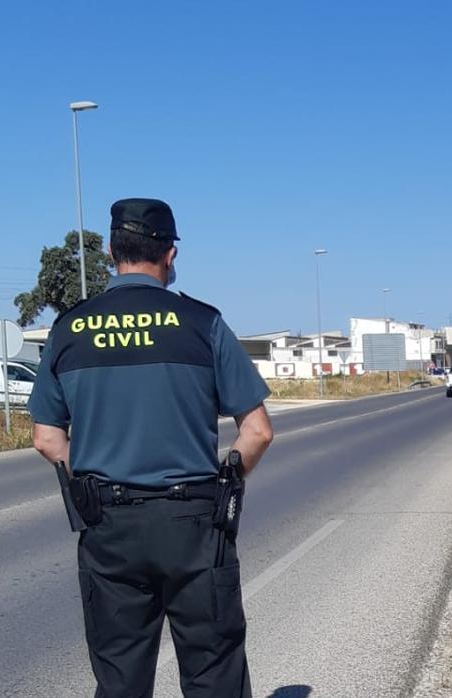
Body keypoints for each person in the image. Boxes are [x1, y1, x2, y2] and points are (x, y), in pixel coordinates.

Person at [29, 197, 274, 697]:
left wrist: (92, 480)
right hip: (194, 524)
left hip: (108, 527)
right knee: (215, 673)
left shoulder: (69, 329)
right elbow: (258, 431)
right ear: (170, 255)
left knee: (120, 680)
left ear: (114, 252)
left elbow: (46, 438)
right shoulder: (202, 324)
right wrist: (229, 479)